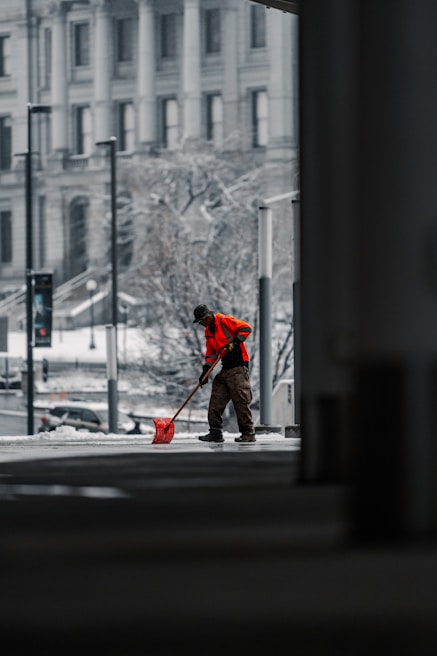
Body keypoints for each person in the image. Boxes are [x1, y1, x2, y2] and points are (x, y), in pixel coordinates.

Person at [193, 304, 256, 443]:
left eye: (202, 321)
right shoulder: (208, 332)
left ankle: (248, 433)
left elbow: (246, 328)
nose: (201, 324)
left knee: (240, 400)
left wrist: (234, 343)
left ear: (208, 317)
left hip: (238, 366)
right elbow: (211, 353)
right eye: (199, 323)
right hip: (226, 368)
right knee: (216, 398)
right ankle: (215, 433)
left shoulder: (224, 320)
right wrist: (205, 370)